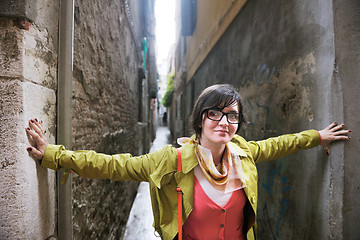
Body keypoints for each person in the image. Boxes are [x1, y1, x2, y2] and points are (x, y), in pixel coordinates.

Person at [25, 84, 350, 240]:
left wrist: (317, 136)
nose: (224, 122)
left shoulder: (243, 154)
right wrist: (53, 155)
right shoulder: (173, 161)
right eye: (215, 113)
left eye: (233, 116)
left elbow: (279, 144)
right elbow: (112, 165)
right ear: (200, 119)